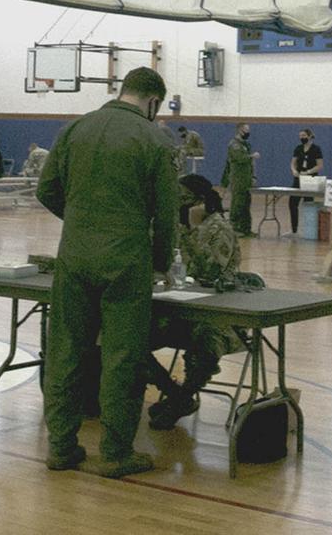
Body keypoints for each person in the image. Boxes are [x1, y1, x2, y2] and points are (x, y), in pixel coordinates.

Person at [36, 66, 178, 478]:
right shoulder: (155, 138)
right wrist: (160, 261)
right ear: (153, 101)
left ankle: (61, 448)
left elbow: (46, 190)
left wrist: (81, 219)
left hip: (75, 254)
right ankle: (116, 453)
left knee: (65, 350)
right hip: (125, 260)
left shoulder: (75, 129)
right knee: (122, 356)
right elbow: (166, 213)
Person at [144, 174, 246, 429]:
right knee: (131, 340)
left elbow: (210, 273)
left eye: (183, 198)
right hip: (182, 310)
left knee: (205, 341)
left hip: (219, 315)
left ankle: (183, 397)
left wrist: (193, 229)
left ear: (198, 201)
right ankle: (177, 395)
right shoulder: (177, 228)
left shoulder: (218, 228)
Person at [220, 122, 260, 237]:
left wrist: (253, 177)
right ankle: (234, 228)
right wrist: (251, 156)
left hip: (247, 179)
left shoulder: (246, 145)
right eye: (246, 130)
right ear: (240, 131)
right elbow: (240, 158)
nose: (248, 132)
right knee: (237, 204)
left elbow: (251, 164)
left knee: (246, 205)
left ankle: (246, 229)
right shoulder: (234, 144)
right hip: (238, 179)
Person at [288, 128, 324, 235]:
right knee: (292, 203)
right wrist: (294, 170)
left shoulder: (316, 149)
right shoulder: (298, 148)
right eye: (300, 136)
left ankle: (309, 231)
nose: (301, 138)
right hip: (298, 179)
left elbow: (320, 165)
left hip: (310, 180)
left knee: (309, 204)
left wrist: (308, 172)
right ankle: (294, 230)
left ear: (309, 136)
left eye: (303, 135)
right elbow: (293, 162)